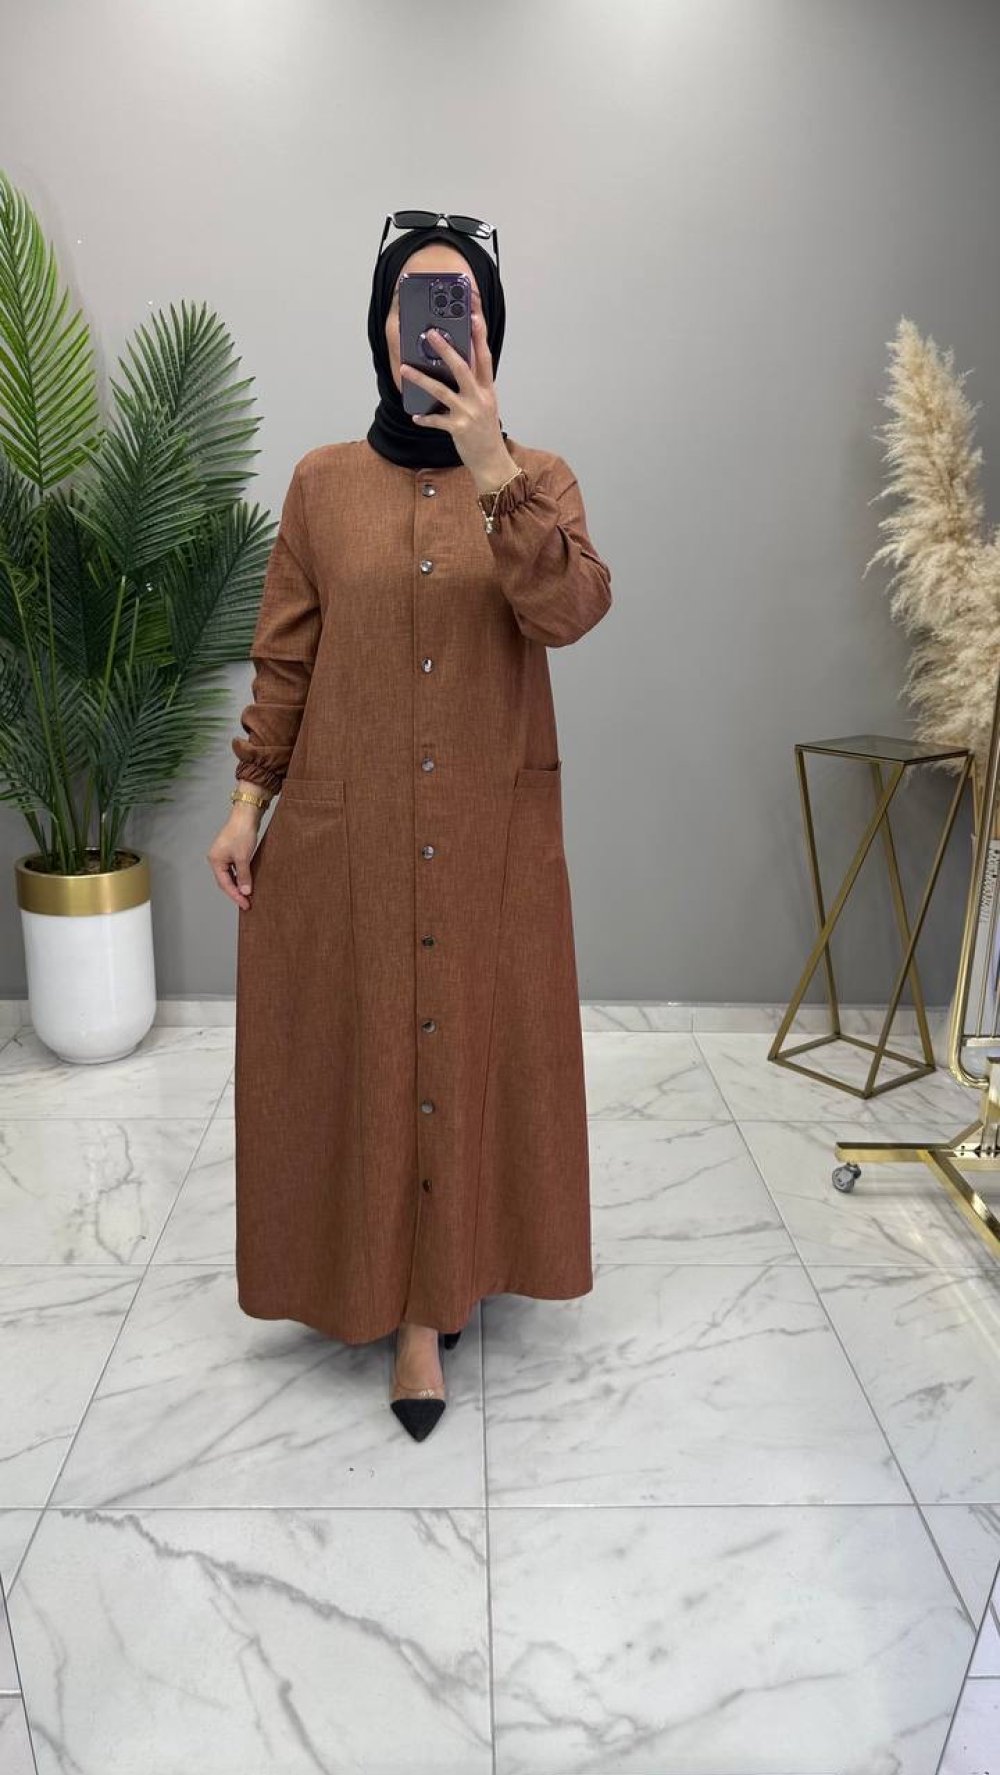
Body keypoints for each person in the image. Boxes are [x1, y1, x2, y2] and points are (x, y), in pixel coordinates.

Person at [208, 214, 613, 1442]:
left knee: (475, 1049)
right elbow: (287, 654)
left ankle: (433, 1308)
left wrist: (491, 469)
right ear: (380, 325)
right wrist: (247, 802)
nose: (438, 323)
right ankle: (384, 1291)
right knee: (370, 1052)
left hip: (489, 828)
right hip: (355, 831)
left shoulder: (538, 477)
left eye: (461, 302)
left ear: (490, 328)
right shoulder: (322, 482)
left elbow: (571, 609)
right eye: (415, 300)